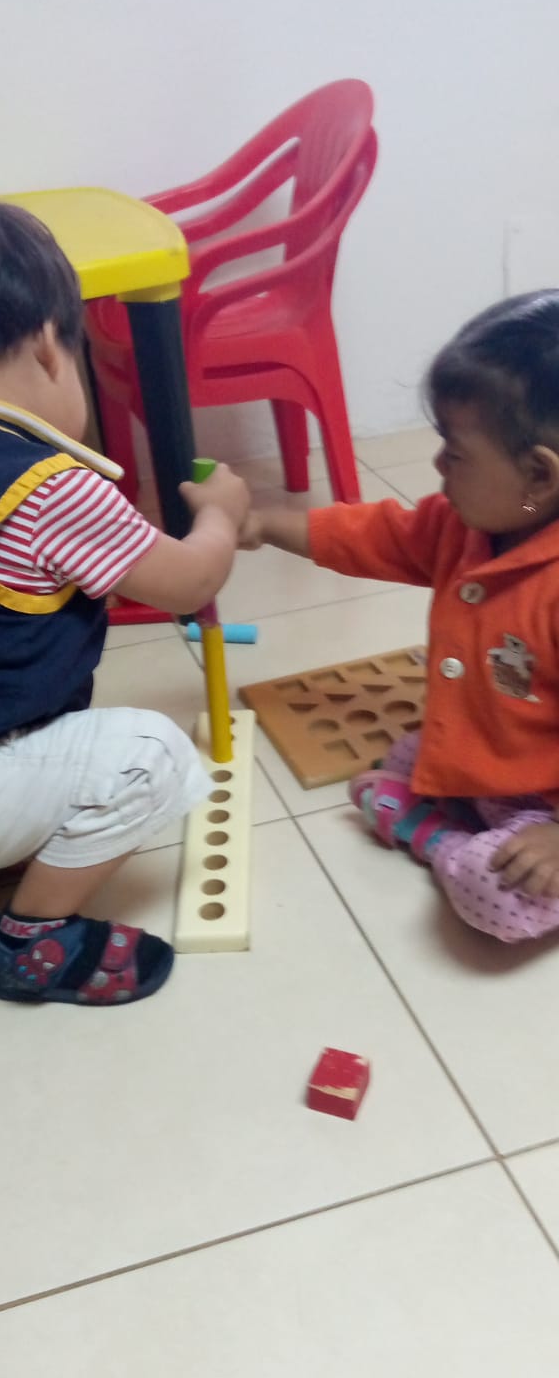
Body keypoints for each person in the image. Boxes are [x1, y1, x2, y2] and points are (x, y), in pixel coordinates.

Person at [0, 196, 250, 1015]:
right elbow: (188, 584)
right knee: (151, 756)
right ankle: (31, 941)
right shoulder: (51, 488)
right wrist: (221, 517)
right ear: (49, 349)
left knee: (27, 714)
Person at [235, 291, 559, 944]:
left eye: (455, 452)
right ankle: (453, 798)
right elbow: (374, 535)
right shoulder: (464, 525)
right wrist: (264, 523)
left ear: (536, 476)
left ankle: (434, 836)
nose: (436, 465)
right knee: (409, 751)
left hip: (546, 802)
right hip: (491, 758)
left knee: (494, 896)